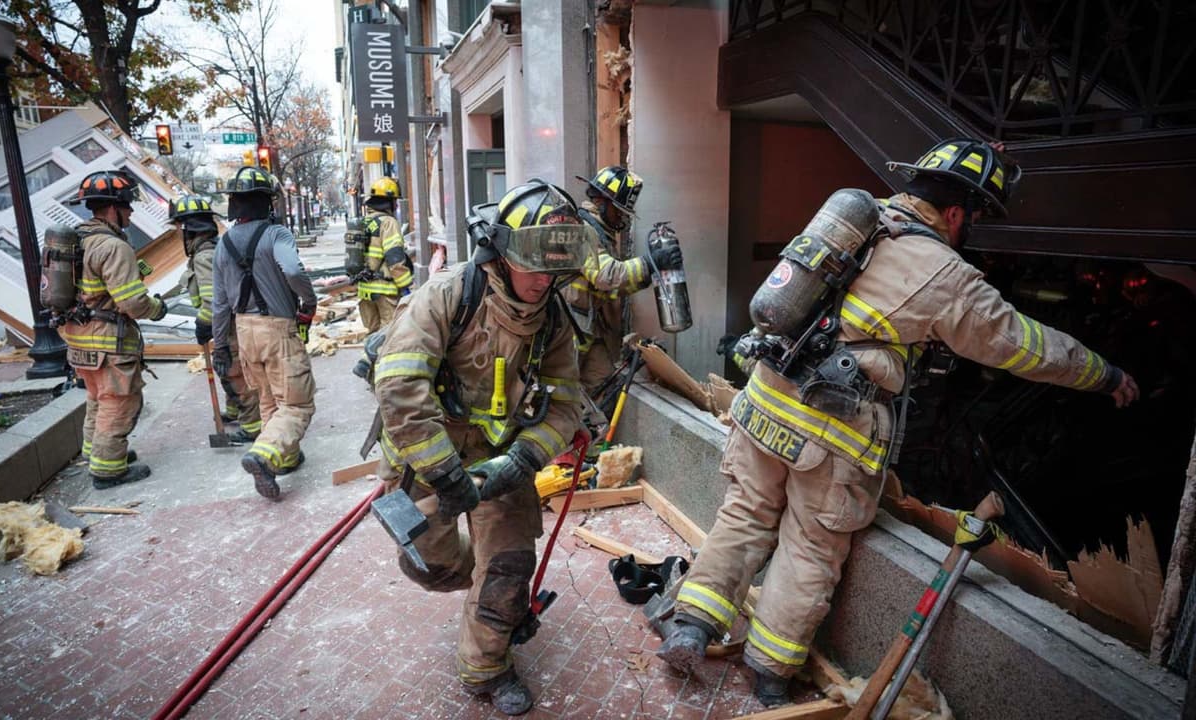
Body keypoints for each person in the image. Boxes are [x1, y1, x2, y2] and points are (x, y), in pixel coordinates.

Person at [657, 138, 1140, 707]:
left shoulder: (856, 224)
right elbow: (1026, 346)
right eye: (975, 218)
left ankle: (692, 624)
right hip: (831, 433)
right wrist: (1103, 375)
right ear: (958, 212)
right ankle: (769, 672)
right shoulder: (947, 274)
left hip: (764, 402)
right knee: (810, 547)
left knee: (745, 513)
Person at [373, 179, 596, 715]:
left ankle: (487, 668)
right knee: (431, 565)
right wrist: (443, 471)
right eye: (533, 262)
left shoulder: (554, 323)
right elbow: (400, 386)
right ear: (500, 249)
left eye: (555, 266)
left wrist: (524, 458)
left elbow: (565, 404)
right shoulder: (450, 295)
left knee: (506, 567)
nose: (545, 279)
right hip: (427, 458)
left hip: (502, 466)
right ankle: (481, 587)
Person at [210, 167, 318, 499]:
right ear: (267, 203)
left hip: (244, 333)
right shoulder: (277, 235)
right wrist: (309, 299)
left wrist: (220, 347)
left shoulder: (221, 245)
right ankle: (264, 455)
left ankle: (281, 460)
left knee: (269, 400)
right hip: (276, 329)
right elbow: (292, 269)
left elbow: (219, 305)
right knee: (298, 405)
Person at [60, 170, 167, 488]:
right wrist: (158, 308)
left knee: (97, 399)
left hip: (79, 339)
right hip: (107, 342)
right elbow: (132, 303)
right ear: (113, 207)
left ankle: (100, 453)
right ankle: (108, 470)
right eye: (128, 204)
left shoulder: (77, 240)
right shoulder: (112, 247)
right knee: (119, 401)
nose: (131, 211)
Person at [564, 165, 682, 397]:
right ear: (602, 201)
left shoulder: (600, 233)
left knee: (601, 390)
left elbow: (610, 291)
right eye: (618, 211)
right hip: (569, 332)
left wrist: (648, 274)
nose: (622, 219)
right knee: (563, 394)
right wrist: (649, 263)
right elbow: (606, 276)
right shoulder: (581, 230)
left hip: (591, 332)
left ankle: (590, 430)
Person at [170, 194, 262, 443]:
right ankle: (234, 411)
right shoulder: (210, 250)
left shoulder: (204, 257)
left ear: (190, 230)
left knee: (235, 374)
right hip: (229, 324)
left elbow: (213, 301)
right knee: (227, 370)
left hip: (227, 326)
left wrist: (203, 323)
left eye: (181, 228)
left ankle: (253, 427)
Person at [356, 176, 413, 334]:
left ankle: (372, 359)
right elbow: (394, 258)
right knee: (388, 335)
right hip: (385, 290)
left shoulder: (363, 222)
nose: (395, 205)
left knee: (373, 334)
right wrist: (405, 286)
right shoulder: (388, 222)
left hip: (364, 290)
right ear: (388, 202)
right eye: (394, 201)